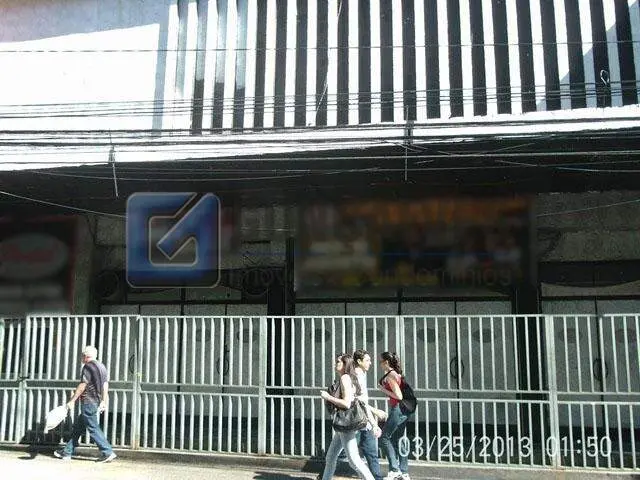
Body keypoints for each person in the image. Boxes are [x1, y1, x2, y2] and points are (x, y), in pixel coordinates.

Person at [54, 345, 116, 463]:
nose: (81, 358)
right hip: (96, 401)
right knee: (78, 427)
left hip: (88, 401)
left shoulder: (88, 367)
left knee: (93, 427)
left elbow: (83, 385)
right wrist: (103, 400)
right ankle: (67, 452)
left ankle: (107, 452)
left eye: (82, 355)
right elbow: (105, 385)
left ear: (85, 356)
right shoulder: (102, 366)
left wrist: (72, 401)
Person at [319, 353, 376, 480]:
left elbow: (347, 403)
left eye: (338, 362)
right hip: (344, 423)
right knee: (331, 457)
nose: (335, 364)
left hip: (346, 422)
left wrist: (328, 397)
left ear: (345, 364)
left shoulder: (345, 378)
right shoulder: (347, 377)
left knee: (354, 460)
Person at [353, 349, 386, 480]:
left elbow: (363, 402)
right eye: (367, 360)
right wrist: (375, 413)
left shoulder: (362, 375)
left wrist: (372, 422)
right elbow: (358, 401)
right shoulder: (355, 377)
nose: (370, 363)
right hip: (356, 421)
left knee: (371, 453)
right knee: (346, 454)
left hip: (364, 420)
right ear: (359, 361)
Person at [378, 352, 410, 480]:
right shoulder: (396, 374)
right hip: (404, 410)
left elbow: (398, 396)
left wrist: (383, 390)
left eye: (381, 361)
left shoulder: (390, 375)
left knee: (384, 438)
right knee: (400, 439)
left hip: (397, 408)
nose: (380, 364)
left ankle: (394, 470)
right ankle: (404, 472)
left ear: (386, 362)